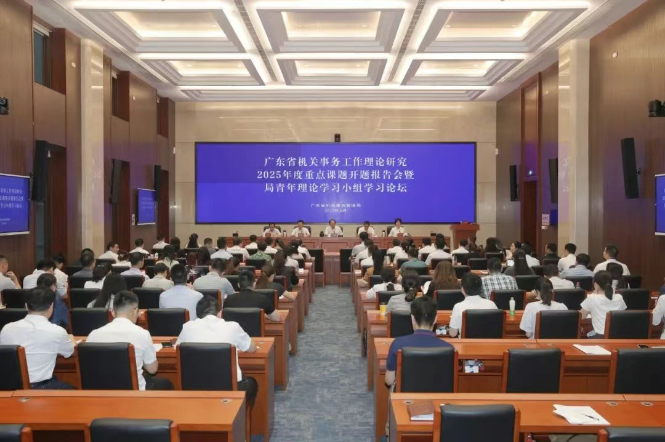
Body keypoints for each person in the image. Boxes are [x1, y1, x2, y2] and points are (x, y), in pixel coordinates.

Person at [176, 296, 258, 405]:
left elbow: (177, 349)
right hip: (229, 388)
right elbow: (252, 348)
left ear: (198, 314)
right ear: (220, 313)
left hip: (193, 386)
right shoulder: (233, 326)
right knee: (251, 383)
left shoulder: (187, 327)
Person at [87, 290, 173, 390]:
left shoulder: (93, 335)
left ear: (113, 312)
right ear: (136, 311)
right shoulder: (142, 334)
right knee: (166, 384)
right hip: (135, 392)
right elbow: (152, 369)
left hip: (101, 391)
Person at [0, 287, 75, 389]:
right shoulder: (57, 331)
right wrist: (71, 339)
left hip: (8, 386)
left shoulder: (7, 328)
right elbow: (70, 352)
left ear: (26, 306)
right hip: (42, 387)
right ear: (51, 306)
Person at [384, 296, 451, 386]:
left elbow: (389, 381)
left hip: (407, 394)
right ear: (435, 319)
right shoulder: (448, 348)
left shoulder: (398, 344)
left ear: (412, 318)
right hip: (438, 394)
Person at [448, 273, 498, 338]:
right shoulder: (491, 304)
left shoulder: (458, 307)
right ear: (480, 288)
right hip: (488, 343)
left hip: (466, 344)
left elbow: (453, 334)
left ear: (462, 289)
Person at [580, 270, 627, 338]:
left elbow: (581, 316)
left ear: (596, 284)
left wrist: (593, 294)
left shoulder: (592, 298)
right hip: (618, 336)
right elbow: (622, 315)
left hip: (600, 337)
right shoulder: (619, 297)